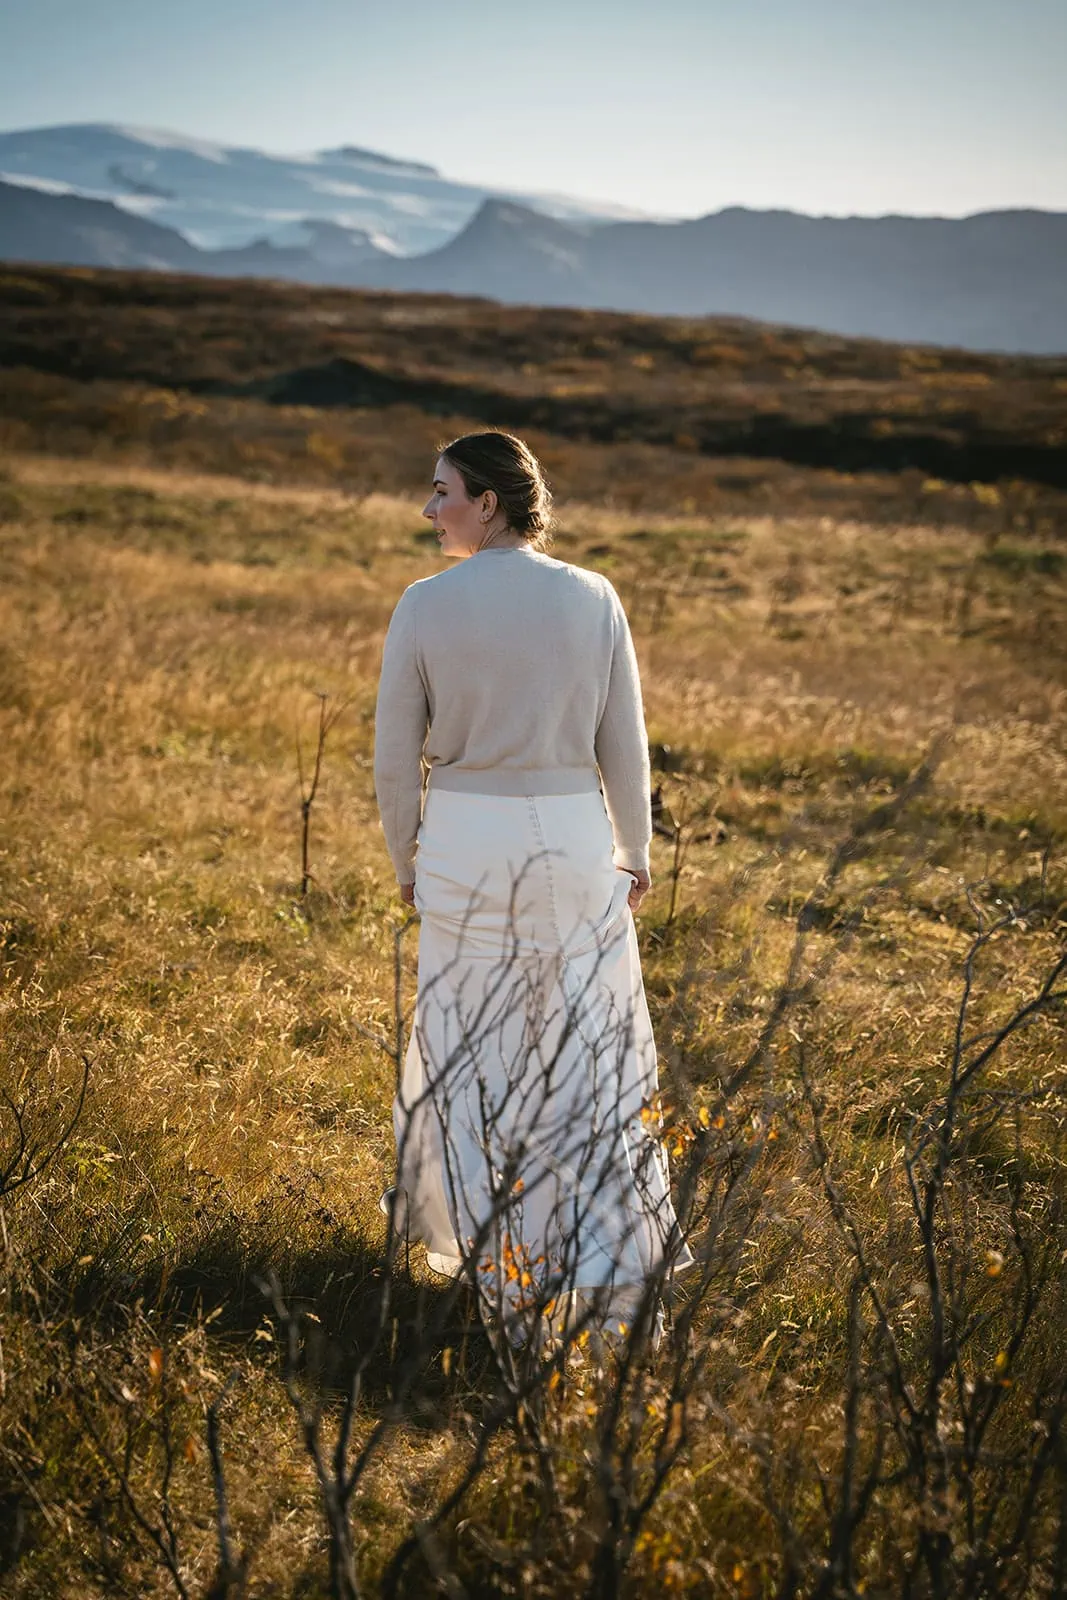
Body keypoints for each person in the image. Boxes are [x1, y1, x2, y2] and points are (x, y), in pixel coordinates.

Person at [373, 431, 691, 1347]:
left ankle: (492, 1259)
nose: (428, 510)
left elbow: (397, 758)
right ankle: (598, 1258)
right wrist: (634, 851)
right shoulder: (592, 596)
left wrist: (407, 859)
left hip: (466, 844)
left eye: (440, 492)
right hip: (576, 843)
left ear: (490, 501)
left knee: (474, 1048)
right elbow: (622, 743)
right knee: (587, 1046)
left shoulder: (425, 606)